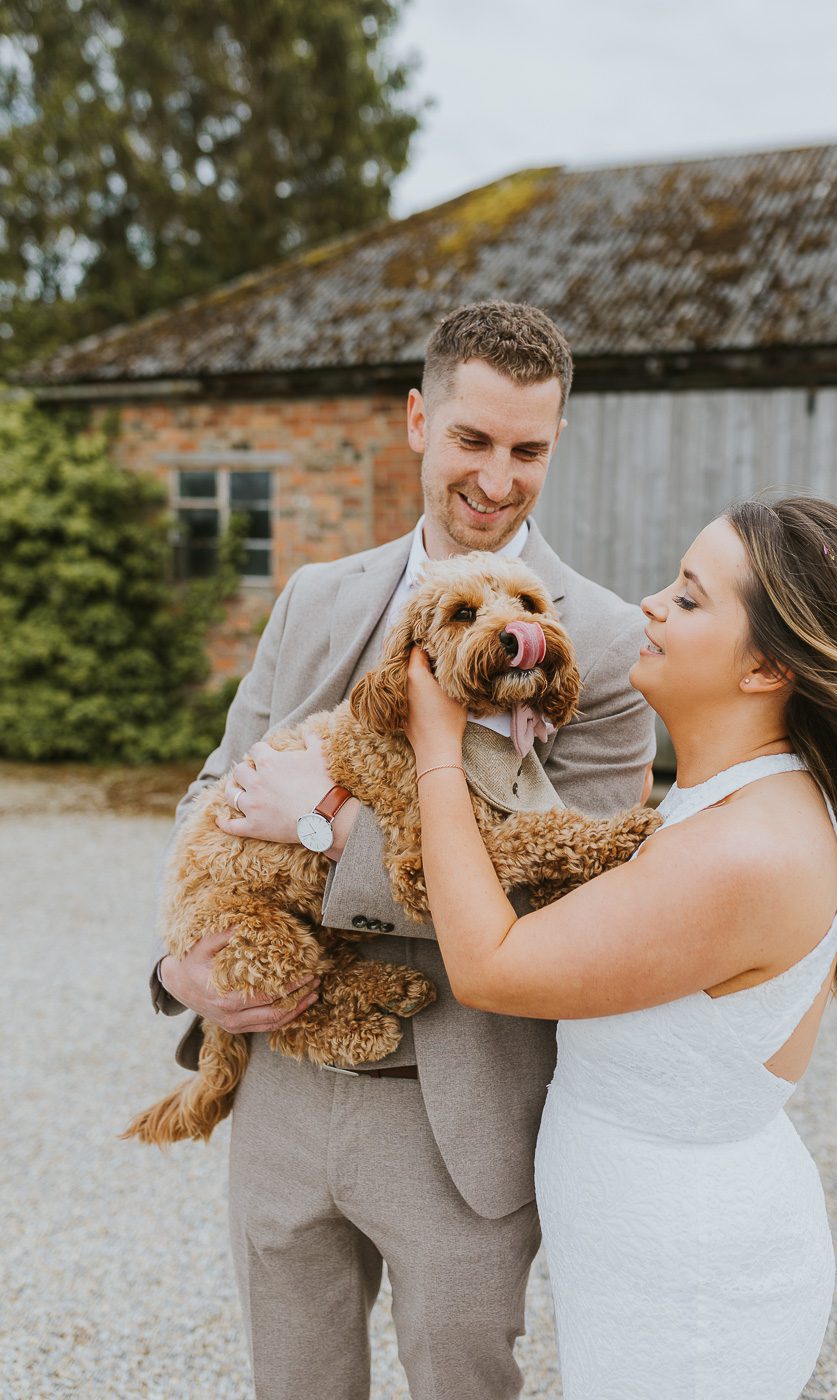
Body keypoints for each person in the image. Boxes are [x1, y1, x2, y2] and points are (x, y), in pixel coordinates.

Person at [149, 301, 656, 1400]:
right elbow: (211, 791)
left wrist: (327, 820)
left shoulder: (606, 644)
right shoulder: (316, 596)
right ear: (420, 421)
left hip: (461, 1103)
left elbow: (577, 893)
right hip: (281, 1078)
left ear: (556, 441)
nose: (497, 477)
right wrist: (180, 966)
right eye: (473, 440)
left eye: (528, 449)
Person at [402, 495, 837, 1400]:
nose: (648, 604)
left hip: (687, 1285)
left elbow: (490, 966)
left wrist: (435, 749)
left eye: (687, 599)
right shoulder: (726, 799)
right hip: (647, 1250)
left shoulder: (742, 850)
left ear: (764, 666)